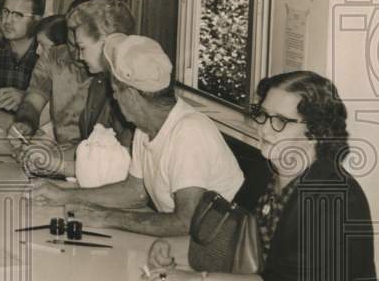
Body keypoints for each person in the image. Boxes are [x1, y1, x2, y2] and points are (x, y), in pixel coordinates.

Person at [142, 71, 379, 281]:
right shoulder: (269, 175)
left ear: (316, 131)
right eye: (263, 115)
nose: (265, 128)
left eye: (281, 121)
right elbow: (229, 241)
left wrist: (199, 280)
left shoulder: (332, 196)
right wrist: (173, 250)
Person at [33, 33, 244, 237]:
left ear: (132, 95)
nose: (114, 98)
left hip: (213, 251)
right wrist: (63, 196)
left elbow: (186, 221)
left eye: (116, 91)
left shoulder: (189, 132)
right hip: (185, 243)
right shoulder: (146, 127)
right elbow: (135, 192)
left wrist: (107, 218)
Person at [48, 0, 136, 178]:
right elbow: (89, 146)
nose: (79, 57)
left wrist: (57, 166)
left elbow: (122, 166)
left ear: (107, 44)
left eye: (82, 48)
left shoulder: (131, 91)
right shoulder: (99, 83)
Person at [7, 0, 99, 148]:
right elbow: (33, 99)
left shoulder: (111, 67)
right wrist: (26, 122)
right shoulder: (52, 56)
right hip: (60, 154)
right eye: (71, 44)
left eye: (82, 47)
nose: (78, 55)